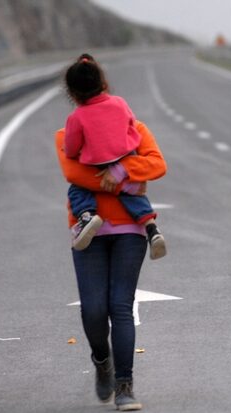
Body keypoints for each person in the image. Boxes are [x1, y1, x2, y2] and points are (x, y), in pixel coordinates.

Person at [56, 115, 167, 411]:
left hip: (130, 232)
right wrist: (127, 180)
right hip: (87, 233)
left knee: (120, 307)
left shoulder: (136, 130)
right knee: (93, 310)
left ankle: (124, 386)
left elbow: (156, 164)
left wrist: (119, 170)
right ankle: (102, 360)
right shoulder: (66, 135)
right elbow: (74, 172)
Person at [63, 53, 166, 259]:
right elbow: (131, 126)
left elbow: (72, 149)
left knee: (78, 189)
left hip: (98, 163)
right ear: (104, 84)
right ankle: (151, 227)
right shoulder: (120, 103)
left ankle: (87, 216)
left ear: (73, 94)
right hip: (124, 156)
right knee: (133, 195)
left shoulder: (76, 117)